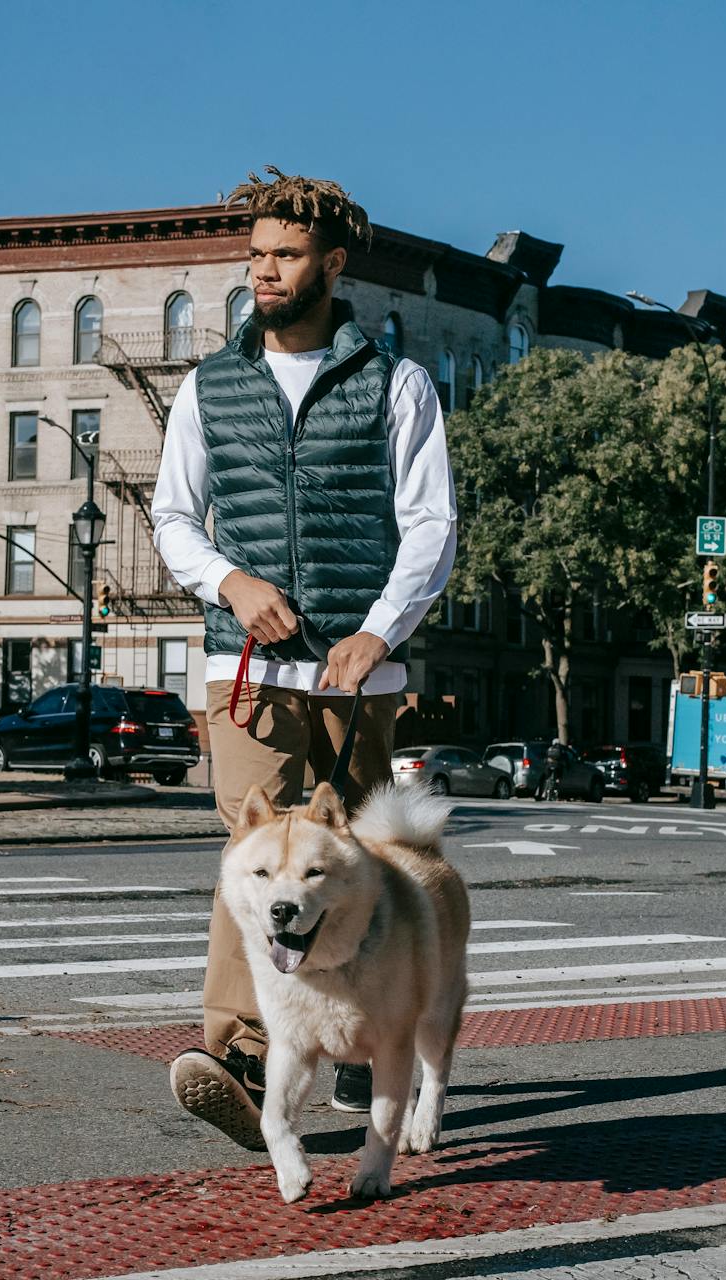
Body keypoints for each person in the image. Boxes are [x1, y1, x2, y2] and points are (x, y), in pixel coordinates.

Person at [150, 168, 458, 1150]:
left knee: (348, 873)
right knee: (254, 861)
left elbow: (431, 522)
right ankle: (240, 1054)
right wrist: (232, 584)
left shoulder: (395, 383)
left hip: (356, 674)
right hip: (244, 672)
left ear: (331, 263)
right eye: (256, 257)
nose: (265, 273)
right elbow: (169, 516)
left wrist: (381, 628)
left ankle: (357, 1043)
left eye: (285, 256)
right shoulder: (212, 385)